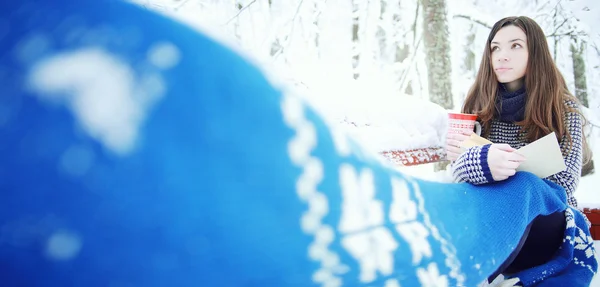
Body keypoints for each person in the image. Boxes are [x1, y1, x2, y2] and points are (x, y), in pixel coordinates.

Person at [445, 16, 592, 282]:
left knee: (525, 184)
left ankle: (471, 273)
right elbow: (456, 176)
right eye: (495, 48)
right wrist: (478, 163)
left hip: (546, 227)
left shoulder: (562, 108)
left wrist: (504, 168)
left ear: (534, 52)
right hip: (489, 223)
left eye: (515, 46)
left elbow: (566, 182)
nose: (502, 56)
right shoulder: (478, 105)